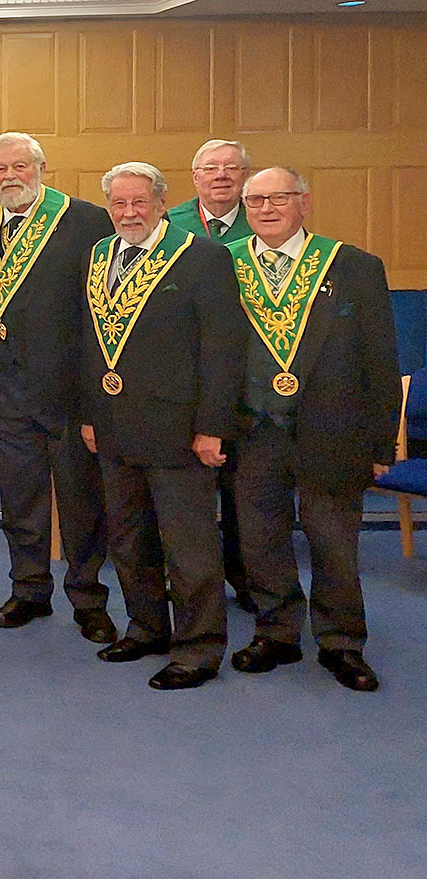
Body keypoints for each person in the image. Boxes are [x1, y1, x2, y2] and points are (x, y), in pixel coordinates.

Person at [227, 167, 396, 692]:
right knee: (260, 540)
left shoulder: (354, 266)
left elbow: (380, 360)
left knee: (334, 541)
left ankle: (342, 642)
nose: (267, 208)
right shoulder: (223, 265)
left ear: (305, 203)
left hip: (334, 431)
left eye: (279, 198)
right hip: (255, 430)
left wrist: (381, 442)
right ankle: (276, 631)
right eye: (256, 200)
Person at [78, 162, 244, 690]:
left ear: (161, 204)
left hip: (179, 430)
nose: (129, 213)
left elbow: (223, 349)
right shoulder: (99, 254)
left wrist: (213, 426)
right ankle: (147, 627)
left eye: (139, 202)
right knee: (129, 540)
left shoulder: (203, 257)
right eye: (118, 203)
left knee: (189, 548)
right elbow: (90, 342)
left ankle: (198, 649)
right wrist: (90, 415)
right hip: (114, 426)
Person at [0, 132, 117, 644]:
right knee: (19, 497)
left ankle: (88, 598)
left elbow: (103, 310)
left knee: (80, 500)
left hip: (67, 389)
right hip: (2, 388)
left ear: (41, 168)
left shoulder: (85, 220)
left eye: (19, 166)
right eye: (0, 168)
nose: (10, 176)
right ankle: (28, 589)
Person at [166, 138, 256, 612]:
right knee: (186, 494)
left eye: (232, 168)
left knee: (244, 492)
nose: (222, 176)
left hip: (249, 377)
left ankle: (248, 579)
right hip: (183, 379)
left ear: (245, 176)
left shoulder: (264, 219)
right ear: (195, 176)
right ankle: (189, 580)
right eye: (211, 168)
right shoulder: (169, 224)